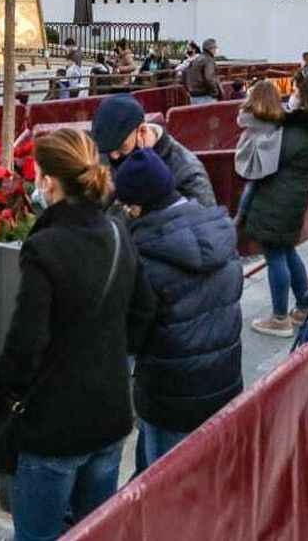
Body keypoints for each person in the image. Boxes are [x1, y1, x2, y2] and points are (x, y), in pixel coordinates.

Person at [0, 130, 154, 541]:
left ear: (48, 180)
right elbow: (144, 312)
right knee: (94, 530)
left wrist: (8, 388)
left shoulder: (45, 247)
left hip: (54, 426)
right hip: (109, 413)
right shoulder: (118, 232)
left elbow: (26, 344)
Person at [113, 148, 243, 470]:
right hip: (223, 383)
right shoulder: (221, 232)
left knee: (164, 485)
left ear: (137, 207)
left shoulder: (145, 256)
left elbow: (133, 335)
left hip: (170, 398)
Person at [242, 73, 308, 336]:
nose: (292, 95)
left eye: (296, 91)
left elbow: (270, 159)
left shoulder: (298, 129)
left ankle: (279, 318)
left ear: (305, 95)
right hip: (294, 194)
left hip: (277, 196)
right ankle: (303, 305)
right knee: (287, 250)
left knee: (275, 255)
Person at [91, 96, 216, 206]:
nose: (114, 156)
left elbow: (203, 223)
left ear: (142, 132)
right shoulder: (106, 155)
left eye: (121, 147)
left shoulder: (187, 171)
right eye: (108, 150)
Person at [234, 79, 286, 229]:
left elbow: (240, 122)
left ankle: (241, 215)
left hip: (251, 151)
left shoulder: (247, 114)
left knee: (251, 184)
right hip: (271, 152)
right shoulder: (279, 115)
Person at [182, 38, 222, 103]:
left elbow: (184, 73)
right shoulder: (208, 60)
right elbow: (209, 78)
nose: (215, 50)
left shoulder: (196, 59)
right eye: (214, 48)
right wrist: (215, 92)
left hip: (194, 95)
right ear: (210, 48)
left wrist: (187, 89)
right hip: (205, 95)